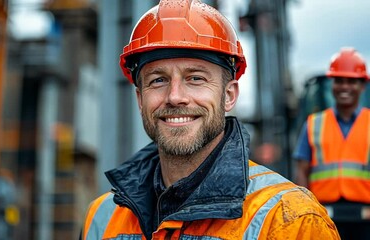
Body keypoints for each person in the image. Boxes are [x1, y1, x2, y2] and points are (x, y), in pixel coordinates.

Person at [81, 0, 340, 239]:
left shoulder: (290, 220)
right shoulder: (102, 217)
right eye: (158, 80)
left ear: (229, 95)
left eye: (195, 78)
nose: (175, 97)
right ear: (140, 99)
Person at [293, 47, 370, 239]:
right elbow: (302, 169)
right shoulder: (313, 124)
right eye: (339, 81)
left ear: (362, 86)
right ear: (332, 84)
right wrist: (306, 207)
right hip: (323, 214)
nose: (345, 87)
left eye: (351, 81)